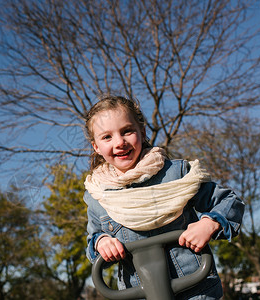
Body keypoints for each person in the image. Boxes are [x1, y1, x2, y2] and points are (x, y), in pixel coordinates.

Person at [84, 94, 244, 299]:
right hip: (139, 293)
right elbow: (93, 241)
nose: (119, 142)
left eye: (127, 131)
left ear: (141, 132)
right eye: (107, 137)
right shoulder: (98, 195)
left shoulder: (176, 174)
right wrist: (102, 242)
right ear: (96, 147)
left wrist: (210, 223)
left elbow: (229, 202)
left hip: (195, 290)